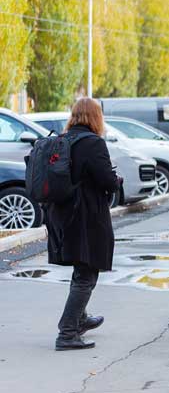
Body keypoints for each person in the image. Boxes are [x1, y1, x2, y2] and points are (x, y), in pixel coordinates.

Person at [49, 98, 120, 351]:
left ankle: (80, 319)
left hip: (63, 216)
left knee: (81, 270)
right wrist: (116, 179)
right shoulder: (93, 143)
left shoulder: (64, 140)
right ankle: (67, 333)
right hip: (87, 217)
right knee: (87, 273)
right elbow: (107, 181)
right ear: (95, 117)